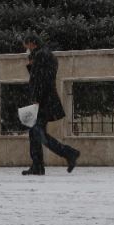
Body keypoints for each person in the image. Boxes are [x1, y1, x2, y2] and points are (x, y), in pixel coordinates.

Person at [22, 33, 80, 175]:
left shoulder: (41, 55)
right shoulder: (47, 54)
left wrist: (35, 99)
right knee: (35, 133)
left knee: (37, 133)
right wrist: (31, 66)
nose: (26, 49)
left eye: (26, 46)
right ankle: (38, 166)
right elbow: (42, 76)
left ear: (32, 43)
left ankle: (68, 153)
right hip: (47, 100)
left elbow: (39, 79)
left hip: (42, 101)